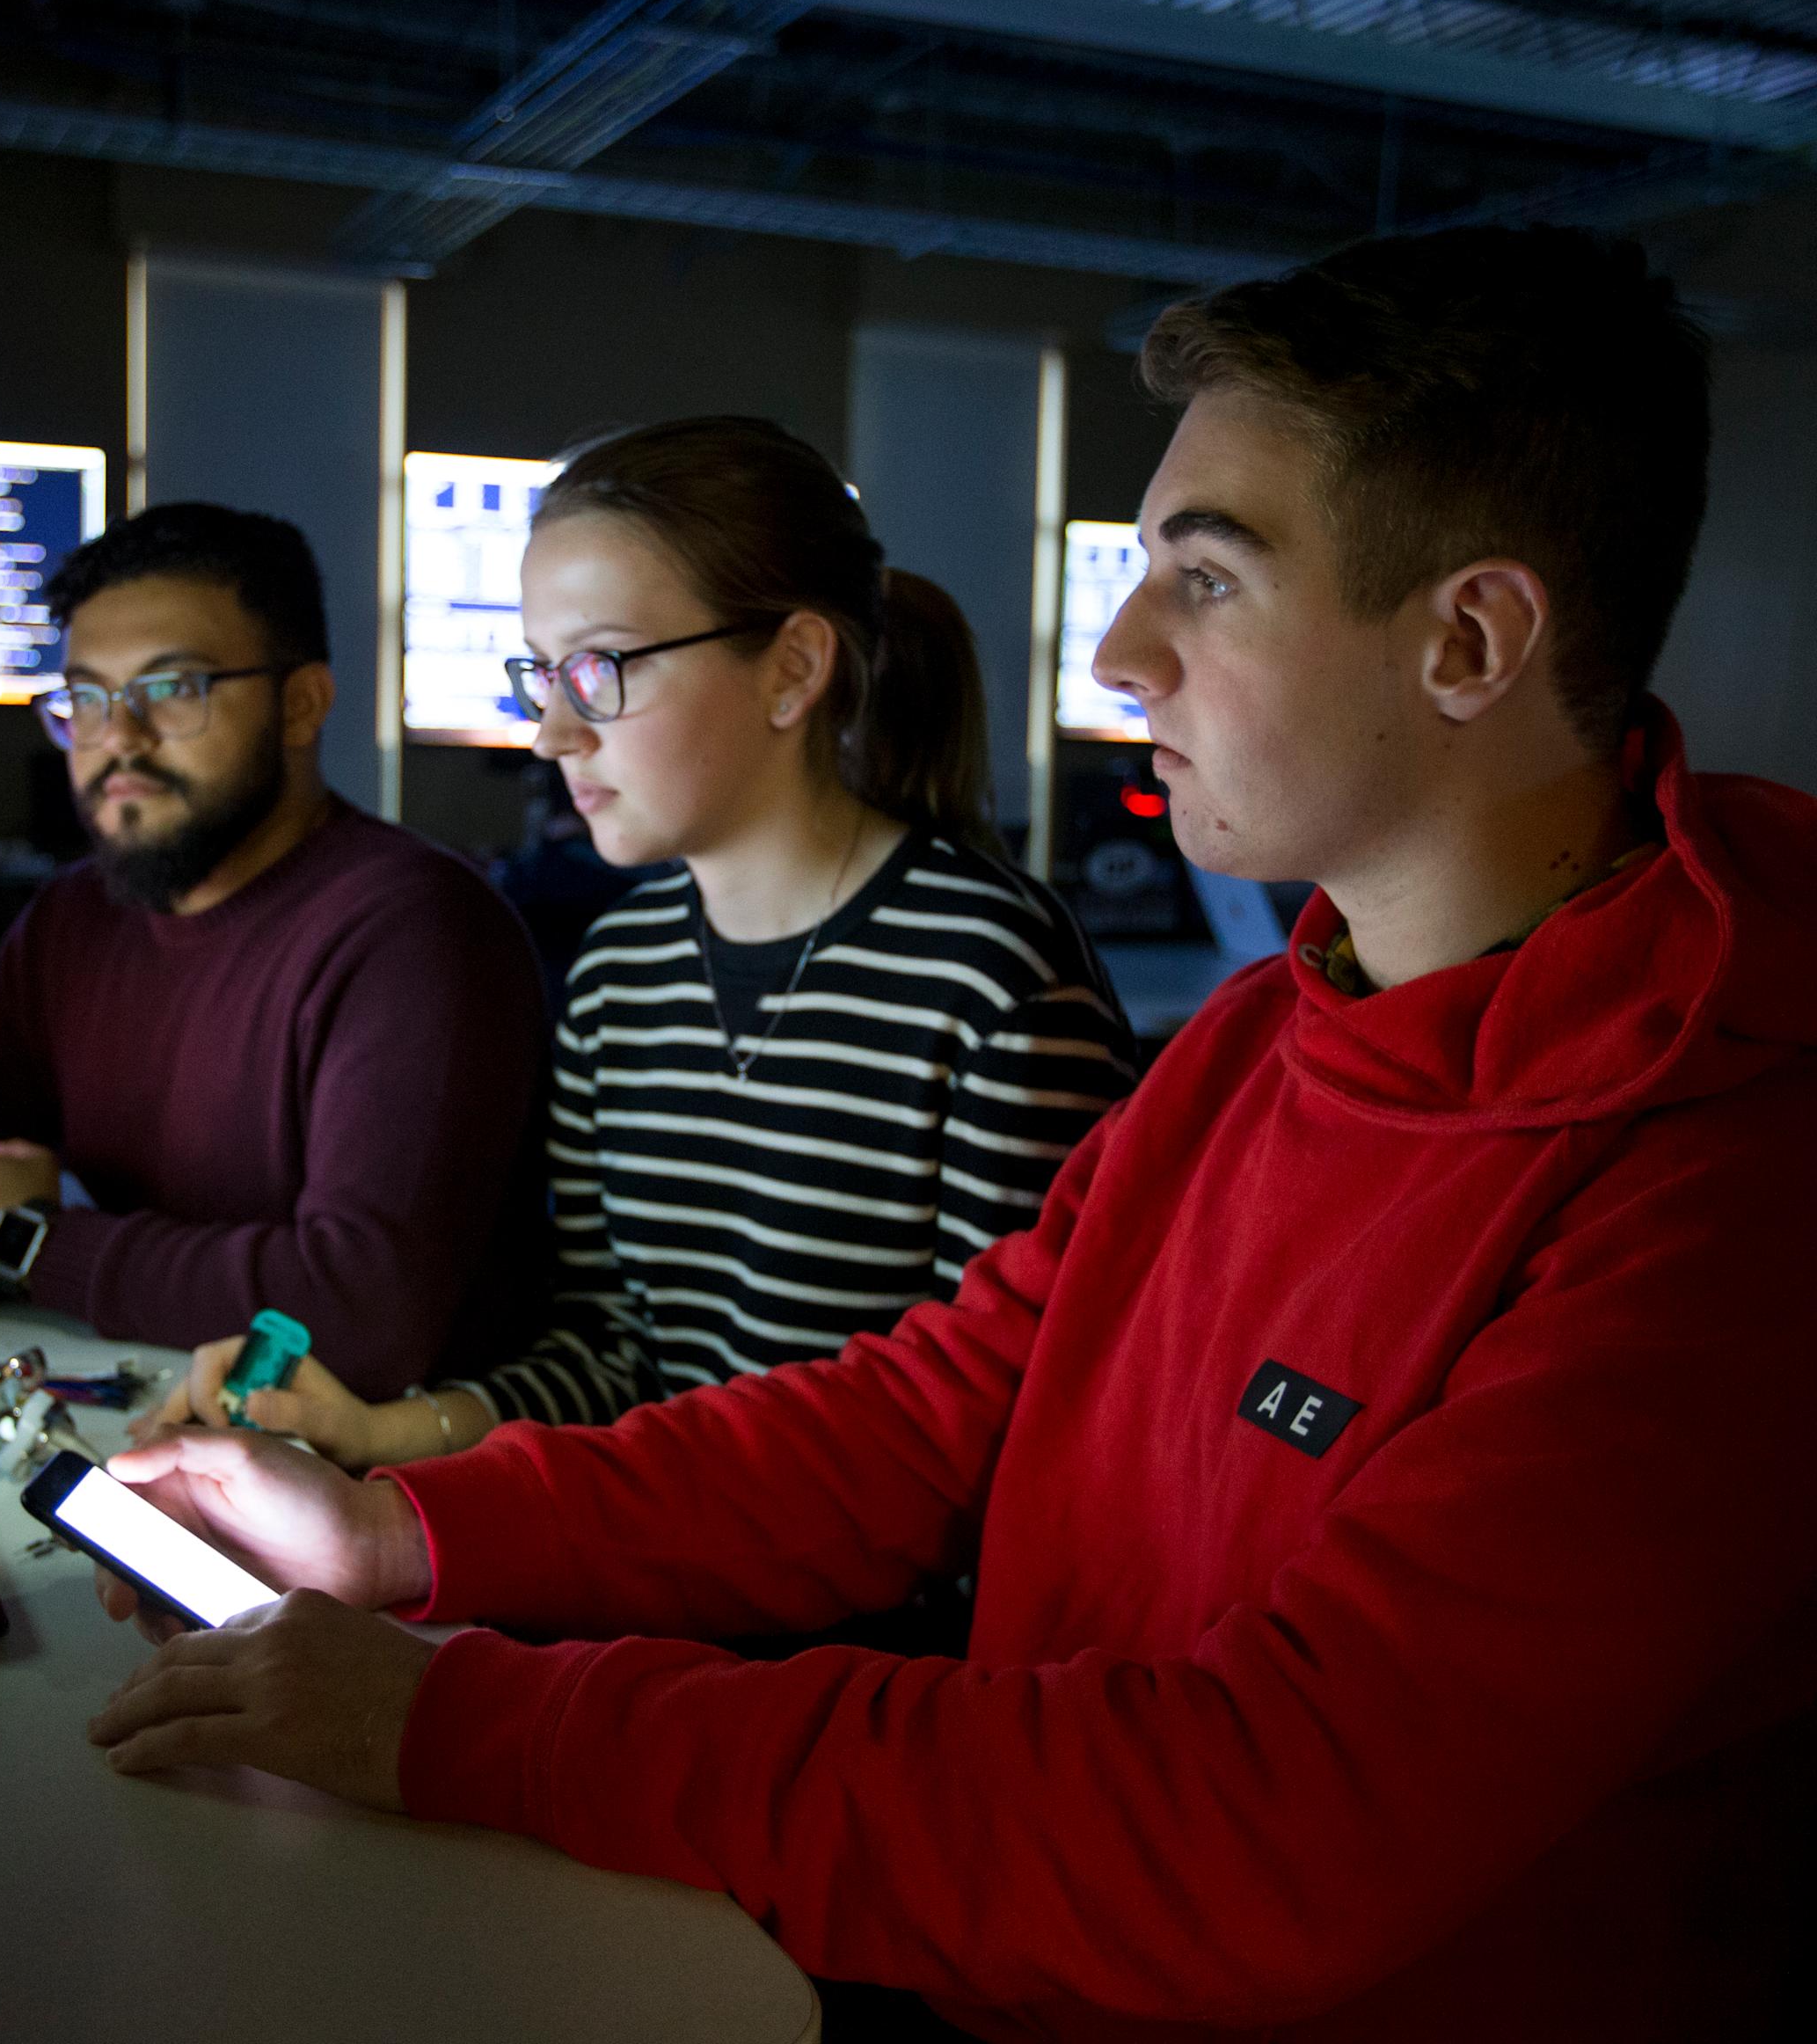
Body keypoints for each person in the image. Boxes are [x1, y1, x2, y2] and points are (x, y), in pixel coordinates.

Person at [87, 229, 1817, 2042]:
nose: (1126, 652)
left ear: (1470, 636)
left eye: (1207, 582)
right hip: (1010, 1958)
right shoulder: (1259, 1042)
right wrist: (402, 1536)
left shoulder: (1726, 1192)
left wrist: (457, 1719)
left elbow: (1269, 1820)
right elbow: (917, 1418)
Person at [150, 418, 1135, 1469]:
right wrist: (379, 1432)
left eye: (601, 667)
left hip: (873, 1624)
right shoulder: (623, 971)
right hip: (658, 1569)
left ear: (793, 669)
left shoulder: (988, 976)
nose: (552, 734)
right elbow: (617, 1357)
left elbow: (1006, 1439)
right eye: (541, 674)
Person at [0, 502, 548, 1400]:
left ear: (301, 703)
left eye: (172, 689)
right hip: (148, 1414)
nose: (118, 738)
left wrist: (29, 1241)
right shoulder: (79, 917)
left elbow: (366, 1315)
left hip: (371, 1483)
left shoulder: (417, 930)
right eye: (86, 697)